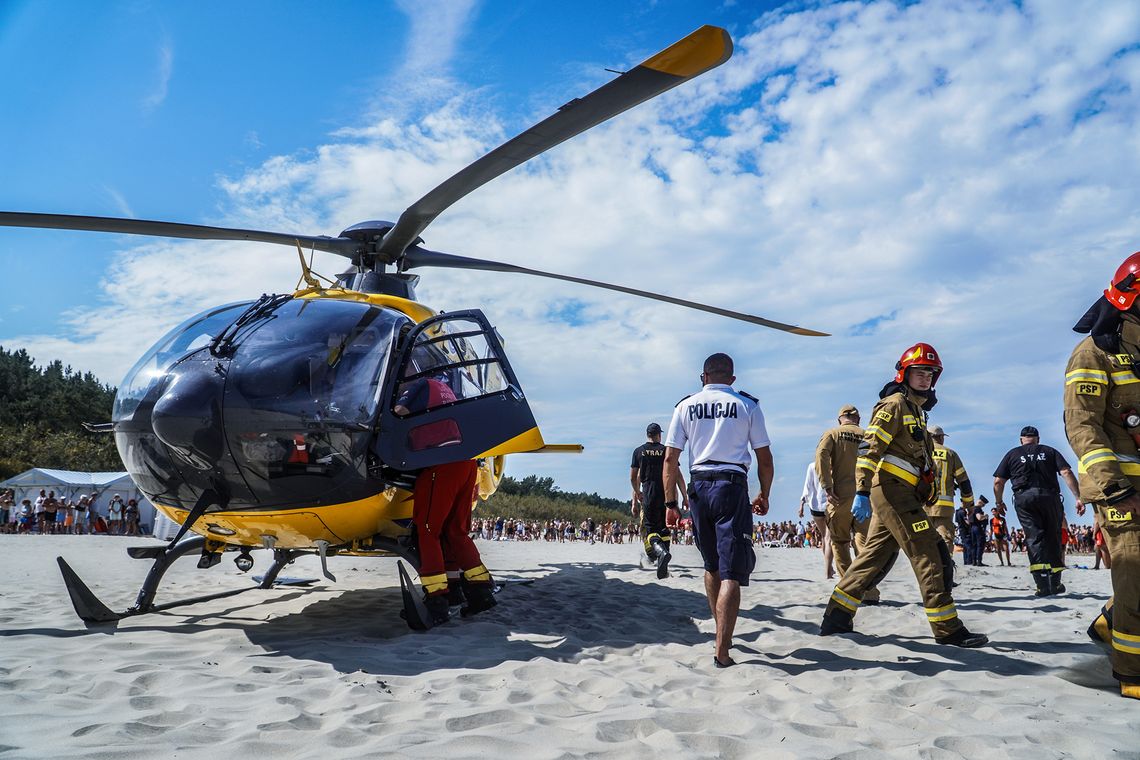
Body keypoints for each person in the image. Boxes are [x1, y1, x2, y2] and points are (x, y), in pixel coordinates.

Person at [819, 343, 987, 648]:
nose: (925, 378)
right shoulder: (894, 405)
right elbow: (869, 450)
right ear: (904, 374)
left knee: (873, 558)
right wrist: (861, 490)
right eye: (919, 372)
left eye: (930, 373)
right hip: (892, 492)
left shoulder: (916, 412)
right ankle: (947, 629)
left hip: (903, 494)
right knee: (929, 553)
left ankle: (836, 616)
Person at [663, 353, 773, 668]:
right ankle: (722, 652)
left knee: (711, 566)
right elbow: (764, 457)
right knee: (732, 574)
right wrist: (764, 494)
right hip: (731, 485)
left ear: (703, 377)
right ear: (732, 379)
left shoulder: (685, 406)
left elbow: (671, 459)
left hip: (698, 487)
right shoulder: (747, 405)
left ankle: (718, 628)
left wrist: (671, 504)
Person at [1064, 253, 1140, 700]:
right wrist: (1115, 486)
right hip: (1119, 489)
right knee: (1134, 575)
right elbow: (1082, 426)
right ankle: (1130, 672)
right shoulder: (1094, 353)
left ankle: (1110, 620)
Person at [394, 371, 496, 625]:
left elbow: (399, 413)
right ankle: (479, 591)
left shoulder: (419, 387)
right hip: (466, 462)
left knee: (427, 529)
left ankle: (436, 597)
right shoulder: (444, 389)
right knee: (455, 531)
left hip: (441, 462)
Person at [993, 426, 1083, 595]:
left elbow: (998, 482)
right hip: (1050, 497)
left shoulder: (1013, 454)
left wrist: (999, 503)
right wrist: (1078, 497)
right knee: (1053, 536)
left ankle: (1042, 585)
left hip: (1024, 499)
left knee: (1034, 537)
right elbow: (1066, 471)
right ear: (1038, 439)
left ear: (1021, 439)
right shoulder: (1050, 451)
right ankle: (1055, 584)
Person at [815, 404, 879, 602]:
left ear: (840, 419)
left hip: (839, 495)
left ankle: (849, 588)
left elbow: (821, 456)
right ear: (858, 419)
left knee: (840, 541)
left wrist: (827, 485)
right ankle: (869, 591)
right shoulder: (868, 435)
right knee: (864, 543)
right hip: (865, 494)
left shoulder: (832, 434)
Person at [630, 422, 687, 578]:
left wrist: (636, 495)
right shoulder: (665, 451)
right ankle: (664, 562)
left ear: (648, 434)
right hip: (668, 496)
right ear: (659, 435)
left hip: (649, 494)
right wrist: (684, 496)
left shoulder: (639, 452)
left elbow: (634, 478)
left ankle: (660, 553)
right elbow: (678, 476)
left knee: (650, 530)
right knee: (665, 529)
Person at [928, 425, 973, 581]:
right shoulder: (950, 454)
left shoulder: (918, 452)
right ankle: (945, 576)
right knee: (945, 540)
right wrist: (969, 504)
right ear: (941, 437)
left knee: (924, 541)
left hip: (921, 507)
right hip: (943, 507)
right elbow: (964, 482)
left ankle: (928, 576)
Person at [798, 462, 834, 578]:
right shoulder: (833, 464)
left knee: (824, 537)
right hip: (829, 504)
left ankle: (830, 568)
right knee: (828, 538)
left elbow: (807, 487)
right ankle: (828, 571)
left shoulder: (812, 466)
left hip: (815, 506)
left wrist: (801, 505)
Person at [969, 496, 989, 566]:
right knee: (980, 545)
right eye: (983, 504)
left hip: (972, 528)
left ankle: (974, 561)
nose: (983, 506)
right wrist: (985, 516)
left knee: (974, 545)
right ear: (981, 502)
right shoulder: (977, 508)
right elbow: (979, 518)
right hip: (978, 527)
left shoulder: (971, 508)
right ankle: (979, 561)